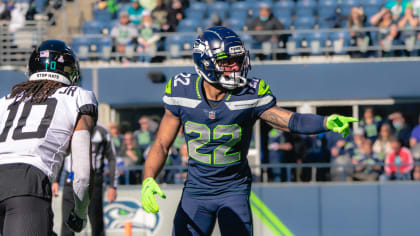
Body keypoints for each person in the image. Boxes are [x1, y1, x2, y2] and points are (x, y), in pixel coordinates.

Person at [140, 26, 357, 236]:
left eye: (238, 60)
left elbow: (289, 120)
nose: (235, 67)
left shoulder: (250, 93)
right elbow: (161, 143)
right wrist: (149, 178)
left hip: (233, 189)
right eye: (227, 62)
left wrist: (325, 121)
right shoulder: (182, 89)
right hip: (196, 191)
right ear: (205, 63)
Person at [0, 40, 97, 235]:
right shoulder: (78, 96)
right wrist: (80, 212)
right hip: (27, 182)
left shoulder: (4, 101)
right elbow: (83, 174)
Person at [52, 124, 118, 236]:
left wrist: (113, 186)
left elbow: (112, 158)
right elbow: (61, 154)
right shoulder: (69, 127)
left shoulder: (102, 132)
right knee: (67, 220)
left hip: (94, 179)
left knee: (95, 220)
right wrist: (55, 180)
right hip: (70, 178)